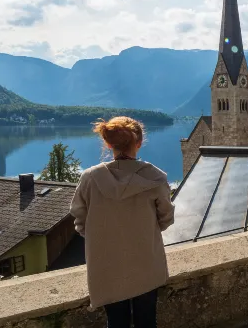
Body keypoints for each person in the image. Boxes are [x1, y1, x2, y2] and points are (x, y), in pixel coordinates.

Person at [70, 116, 175, 328]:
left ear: (108, 144)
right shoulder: (155, 178)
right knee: (147, 321)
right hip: (146, 260)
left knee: (116, 322)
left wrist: (100, 234)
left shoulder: (90, 178)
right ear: (139, 143)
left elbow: (79, 219)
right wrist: (146, 230)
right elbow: (166, 217)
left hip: (107, 264)